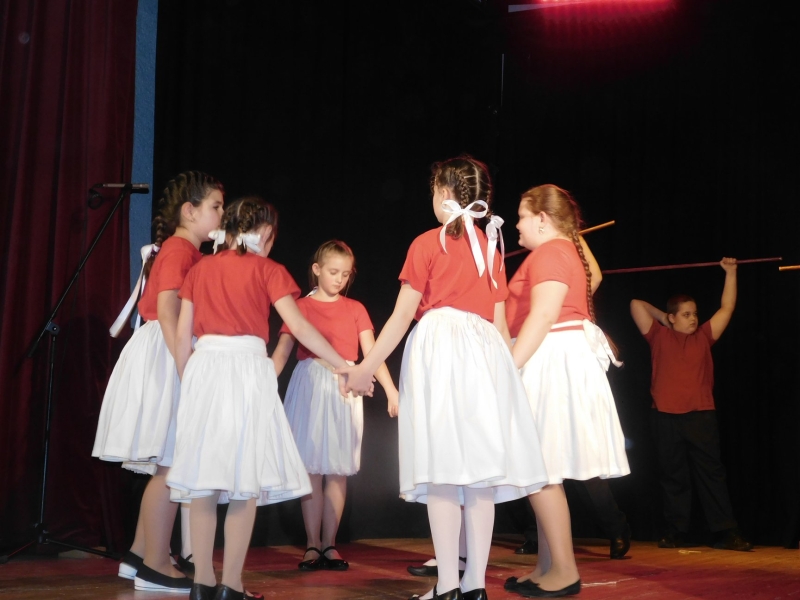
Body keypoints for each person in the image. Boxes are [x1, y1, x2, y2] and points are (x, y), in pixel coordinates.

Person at [338, 156, 549, 600]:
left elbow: (401, 316)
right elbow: (499, 325)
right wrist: (509, 380)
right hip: (485, 355)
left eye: (434, 190)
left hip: (441, 350)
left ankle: (450, 586)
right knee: (479, 474)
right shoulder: (490, 247)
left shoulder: (427, 243)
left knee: (442, 470)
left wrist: (364, 367)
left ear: (445, 194)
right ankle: (474, 587)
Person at [166, 197, 357, 600]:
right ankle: (231, 584)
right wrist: (343, 365)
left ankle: (202, 582)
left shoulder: (201, 268)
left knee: (203, 481)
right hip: (247, 370)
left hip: (205, 369)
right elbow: (300, 327)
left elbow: (183, 335)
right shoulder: (268, 269)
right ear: (266, 232)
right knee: (244, 481)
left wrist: (189, 382)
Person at [92, 171, 224, 592]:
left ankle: (139, 554)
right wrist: (187, 368)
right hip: (169, 354)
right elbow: (168, 312)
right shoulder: (179, 250)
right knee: (170, 464)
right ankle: (155, 565)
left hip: (169, 352)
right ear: (190, 211)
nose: (222, 214)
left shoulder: (186, 251)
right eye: (216, 206)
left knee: (166, 461)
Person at [505, 184, 629, 597]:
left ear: (542, 219)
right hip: (553, 355)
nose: (517, 225)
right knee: (544, 469)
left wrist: (508, 368)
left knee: (540, 468)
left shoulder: (551, 252)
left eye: (522, 216)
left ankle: (564, 570)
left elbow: (542, 316)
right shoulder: (559, 251)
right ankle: (547, 565)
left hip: (550, 356)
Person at [271, 239, 400, 571]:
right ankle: (312, 544)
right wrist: (263, 383)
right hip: (311, 384)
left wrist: (391, 390)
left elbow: (372, 355)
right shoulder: (299, 306)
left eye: (345, 274)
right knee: (312, 468)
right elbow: (282, 352)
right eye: (333, 272)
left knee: (337, 469)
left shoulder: (355, 309)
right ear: (316, 270)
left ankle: (329, 543)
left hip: (345, 389)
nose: (339, 279)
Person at [630, 258, 752, 552]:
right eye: (686, 315)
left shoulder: (704, 337)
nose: (693, 319)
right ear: (672, 318)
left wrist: (731, 272)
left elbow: (727, 307)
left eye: (694, 314)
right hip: (664, 418)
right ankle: (675, 532)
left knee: (712, 475)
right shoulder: (658, 336)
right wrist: (665, 318)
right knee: (673, 477)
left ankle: (727, 532)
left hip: (700, 417)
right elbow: (636, 304)